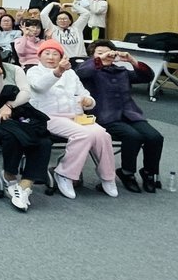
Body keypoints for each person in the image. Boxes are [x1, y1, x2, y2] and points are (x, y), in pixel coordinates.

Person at [27, 40, 116, 199]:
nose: (51, 57)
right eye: (47, 53)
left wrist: (89, 101)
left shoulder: (71, 73)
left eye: (55, 54)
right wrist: (58, 71)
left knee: (102, 134)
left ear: (61, 57)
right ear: (39, 56)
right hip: (47, 116)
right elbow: (39, 86)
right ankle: (64, 173)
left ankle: (108, 177)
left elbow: (84, 93)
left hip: (75, 116)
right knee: (83, 135)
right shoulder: (34, 71)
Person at [0, 40, 51, 212]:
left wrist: (10, 106)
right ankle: (10, 177)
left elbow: (26, 93)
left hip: (17, 113)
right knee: (12, 137)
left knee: (43, 139)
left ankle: (25, 186)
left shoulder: (15, 69)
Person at [77, 40, 164, 193]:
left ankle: (149, 173)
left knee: (155, 137)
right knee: (133, 136)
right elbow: (81, 72)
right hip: (105, 115)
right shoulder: (89, 70)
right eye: (99, 53)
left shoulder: (121, 71)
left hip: (130, 114)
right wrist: (100, 60)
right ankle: (126, 173)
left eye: (108, 52)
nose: (105, 55)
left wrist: (131, 60)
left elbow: (147, 77)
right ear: (92, 56)